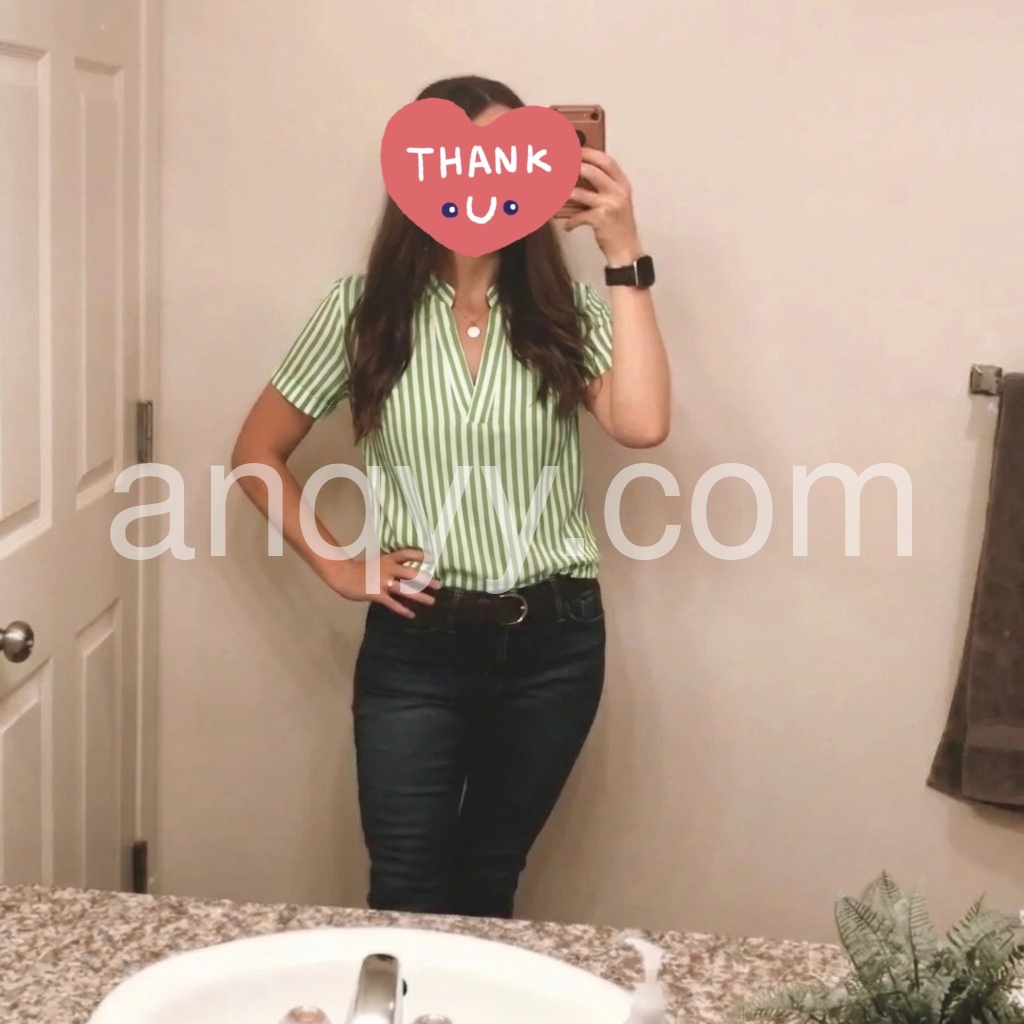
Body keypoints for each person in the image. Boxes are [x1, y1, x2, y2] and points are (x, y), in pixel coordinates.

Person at [231, 75, 670, 918]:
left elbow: (642, 423)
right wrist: (339, 566)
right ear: (419, 173)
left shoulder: (568, 315)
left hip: (555, 646)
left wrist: (625, 252)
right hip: (417, 646)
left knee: (488, 883)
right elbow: (256, 453)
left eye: (504, 154)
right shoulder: (362, 313)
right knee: (405, 889)